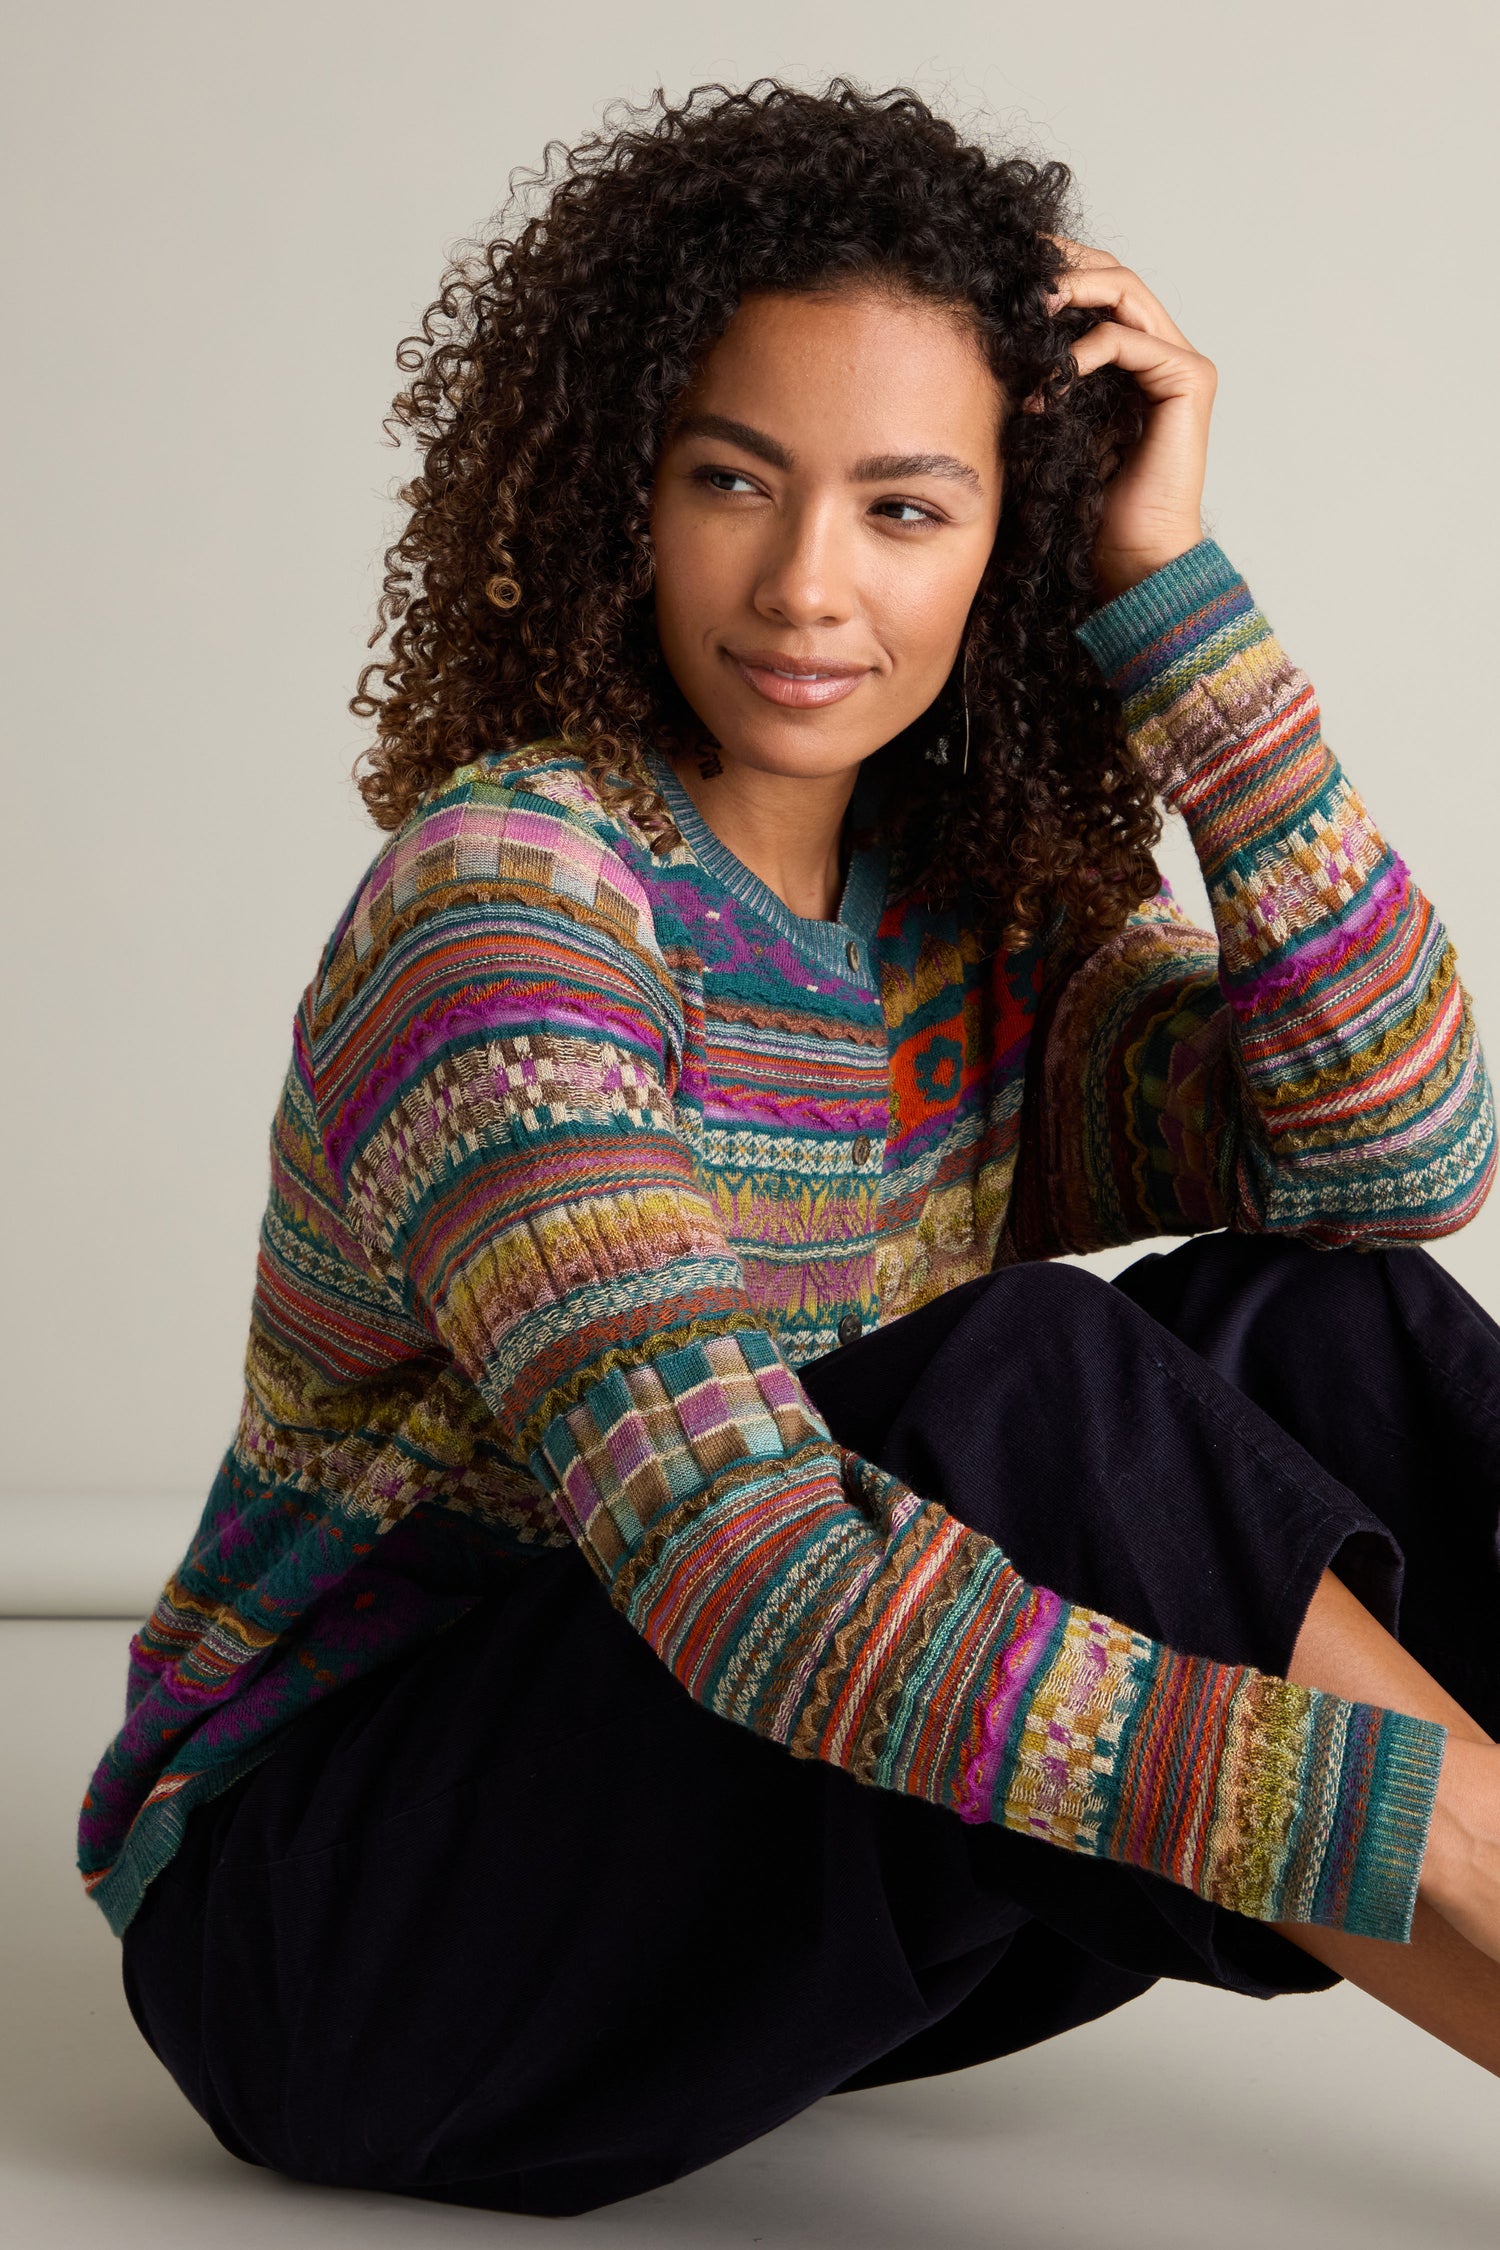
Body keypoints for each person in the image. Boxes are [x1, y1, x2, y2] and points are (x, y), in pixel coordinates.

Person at [83, 79, 1500, 2218]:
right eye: (732, 479)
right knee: (1033, 1388)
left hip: (731, 1878)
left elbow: (1391, 1152)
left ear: (1004, 540)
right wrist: (1429, 1822)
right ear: (618, 497)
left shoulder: (964, 940)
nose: (808, 584)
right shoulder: (513, 913)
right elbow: (743, 1575)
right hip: (348, 1944)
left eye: (908, 509)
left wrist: (1173, 586)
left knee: (1328, 1323)